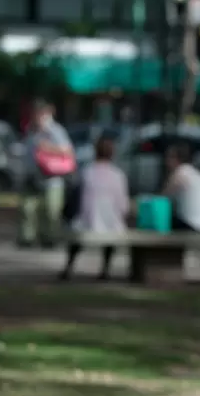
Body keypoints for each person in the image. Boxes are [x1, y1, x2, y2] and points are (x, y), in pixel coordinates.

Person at [60, 136, 130, 281]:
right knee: (112, 230)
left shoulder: (87, 172)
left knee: (77, 233)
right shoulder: (118, 175)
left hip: (87, 221)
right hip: (111, 223)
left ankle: (69, 266)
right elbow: (123, 206)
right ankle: (105, 268)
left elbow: (75, 200)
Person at [18, 99, 74, 249]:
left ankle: (50, 238)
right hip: (32, 175)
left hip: (52, 177)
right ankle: (27, 238)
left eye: (39, 114)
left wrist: (48, 148)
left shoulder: (55, 131)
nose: (36, 117)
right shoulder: (31, 130)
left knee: (51, 210)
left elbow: (67, 151)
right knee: (28, 208)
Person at [163, 143, 200, 232]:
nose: (166, 161)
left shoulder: (181, 172)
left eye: (169, 157)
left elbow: (163, 197)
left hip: (190, 225)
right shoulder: (195, 173)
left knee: (160, 221)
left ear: (176, 159)